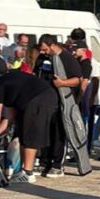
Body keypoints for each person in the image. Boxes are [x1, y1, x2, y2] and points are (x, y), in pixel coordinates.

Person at [0, 71, 59, 184]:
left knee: (31, 133)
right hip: (43, 95)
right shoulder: (8, 86)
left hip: (39, 97)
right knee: (23, 132)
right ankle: (23, 171)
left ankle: (27, 173)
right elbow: (8, 118)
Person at [36, 34, 84, 176]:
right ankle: (44, 162)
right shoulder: (42, 58)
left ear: (52, 45)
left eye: (45, 49)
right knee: (45, 133)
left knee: (58, 134)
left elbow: (77, 80)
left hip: (61, 101)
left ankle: (57, 165)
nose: (43, 52)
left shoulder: (67, 58)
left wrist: (62, 83)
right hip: (44, 101)